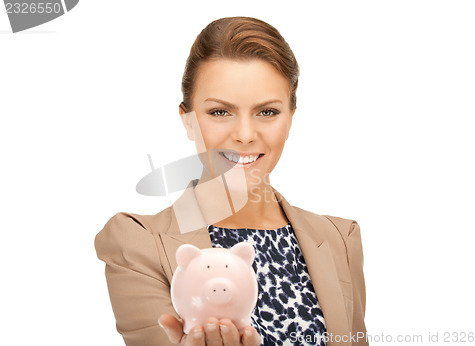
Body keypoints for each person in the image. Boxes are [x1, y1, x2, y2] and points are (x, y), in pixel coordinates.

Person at [95, 16, 368, 346]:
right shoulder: (137, 243)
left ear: (290, 118)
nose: (244, 135)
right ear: (189, 121)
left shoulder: (339, 239)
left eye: (267, 111)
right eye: (220, 112)